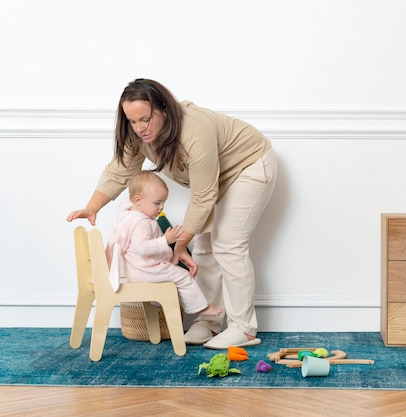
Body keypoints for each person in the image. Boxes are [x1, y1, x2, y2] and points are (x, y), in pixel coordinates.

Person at [67, 78, 277, 349]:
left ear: (163, 109)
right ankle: (209, 322)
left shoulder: (194, 131)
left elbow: (203, 197)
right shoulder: (138, 133)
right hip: (216, 179)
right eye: (131, 121)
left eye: (145, 119)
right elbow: (120, 170)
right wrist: (92, 207)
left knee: (228, 244)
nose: (139, 128)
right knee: (203, 247)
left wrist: (178, 245)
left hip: (249, 166)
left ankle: (243, 329)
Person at [108, 170, 222, 318]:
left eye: (163, 202)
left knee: (176, 273)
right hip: (147, 271)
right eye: (157, 203)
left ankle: (173, 301)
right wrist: (165, 240)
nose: (161, 207)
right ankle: (200, 307)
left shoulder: (128, 217)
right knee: (183, 276)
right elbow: (141, 248)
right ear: (137, 200)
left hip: (138, 271)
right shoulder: (141, 222)